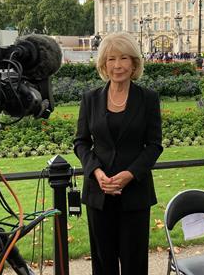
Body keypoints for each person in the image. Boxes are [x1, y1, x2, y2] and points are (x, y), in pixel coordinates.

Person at [74, 32, 163, 275]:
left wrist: (130, 174)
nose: (117, 65)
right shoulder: (90, 99)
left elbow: (154, 145)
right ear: (103, 64)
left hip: (134, 194)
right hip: (98, 194)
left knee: (134, 264)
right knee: (103, 264)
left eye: (123, 58)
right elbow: (81, 142)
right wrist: (96, 172)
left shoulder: (148, 99)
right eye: (111, 59)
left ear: (134, 62)